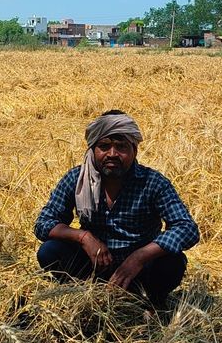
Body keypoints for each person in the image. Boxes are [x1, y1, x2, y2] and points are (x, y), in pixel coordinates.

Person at [34, 110, 199, 306]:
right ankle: (84, 297)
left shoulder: (153, 182)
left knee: (173, 261)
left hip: (141, 271)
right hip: (92, 266)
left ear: (134, 150)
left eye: (121, 147)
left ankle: (151, 303)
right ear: (92, 150)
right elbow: (44, 223)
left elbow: (187, 229)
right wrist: (84, 237)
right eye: (104, 147)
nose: (112, 154)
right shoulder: (77, 179)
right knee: (49, 251)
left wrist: (138, 258)